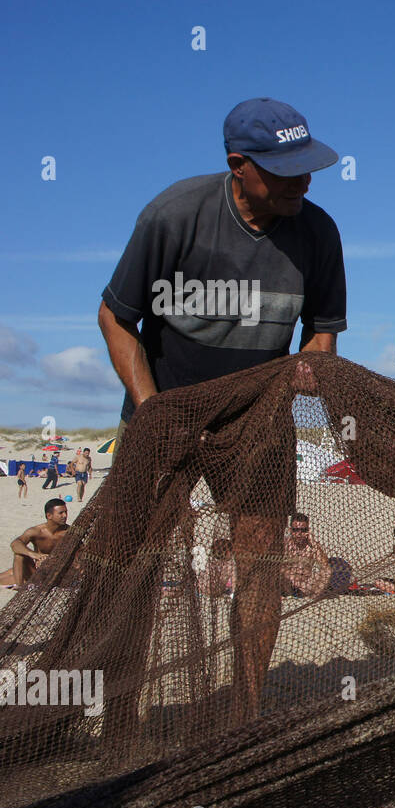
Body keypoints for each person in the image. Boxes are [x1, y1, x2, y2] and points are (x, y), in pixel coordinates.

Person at [97, 98, 347, 727]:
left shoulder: (318, 233)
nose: (304, 180)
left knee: (261, 562)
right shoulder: (174, 214)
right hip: (166, 408)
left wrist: (306, 375)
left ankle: (245, 712)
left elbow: (321, 336)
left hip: (256, 421)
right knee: (137, 566)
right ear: (239, 165)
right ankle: (122, 719)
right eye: (285, 170)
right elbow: (116, 318)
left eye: (307, 166)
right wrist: (153, 410)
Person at [0, 499, 70, 587]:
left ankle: (21, 582)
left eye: (66, 512)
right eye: (61, 513)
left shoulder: (69, 532)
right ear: (49, 515)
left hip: (55, 573)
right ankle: (20, 587)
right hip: (36, 571)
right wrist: (34, 554)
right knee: (19, 555)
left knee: (12, 573)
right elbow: (15, 544)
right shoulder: (37, 531)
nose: (65, 515)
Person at [282, 512, 332, 598]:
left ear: (307, 530)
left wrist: (314, 544)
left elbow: (324, 564)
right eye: (295, 530)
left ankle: (310, 598)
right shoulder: (286, 545)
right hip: (287, 584)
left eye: (303, 530)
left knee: (327, 572)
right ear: (290, 530)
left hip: (305, 586)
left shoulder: (312, 546)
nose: (299, 534)